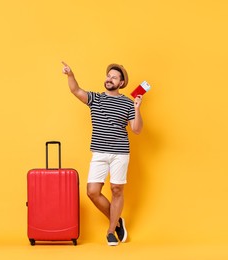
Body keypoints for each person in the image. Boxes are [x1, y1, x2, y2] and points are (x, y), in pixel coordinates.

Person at [61, 61, 143, 246]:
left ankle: (111, 231)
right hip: (99, 152)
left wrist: (137, 108)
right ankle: (117, 220)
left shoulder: (128, 104)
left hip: (120, 153)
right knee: (92, 192)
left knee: (116, 190)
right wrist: (70, 75)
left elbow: (136, 130)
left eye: (114, 77)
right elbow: (76, 90)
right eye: (108, 76)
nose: (109, 79)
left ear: (121, 83)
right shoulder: (95, 99)